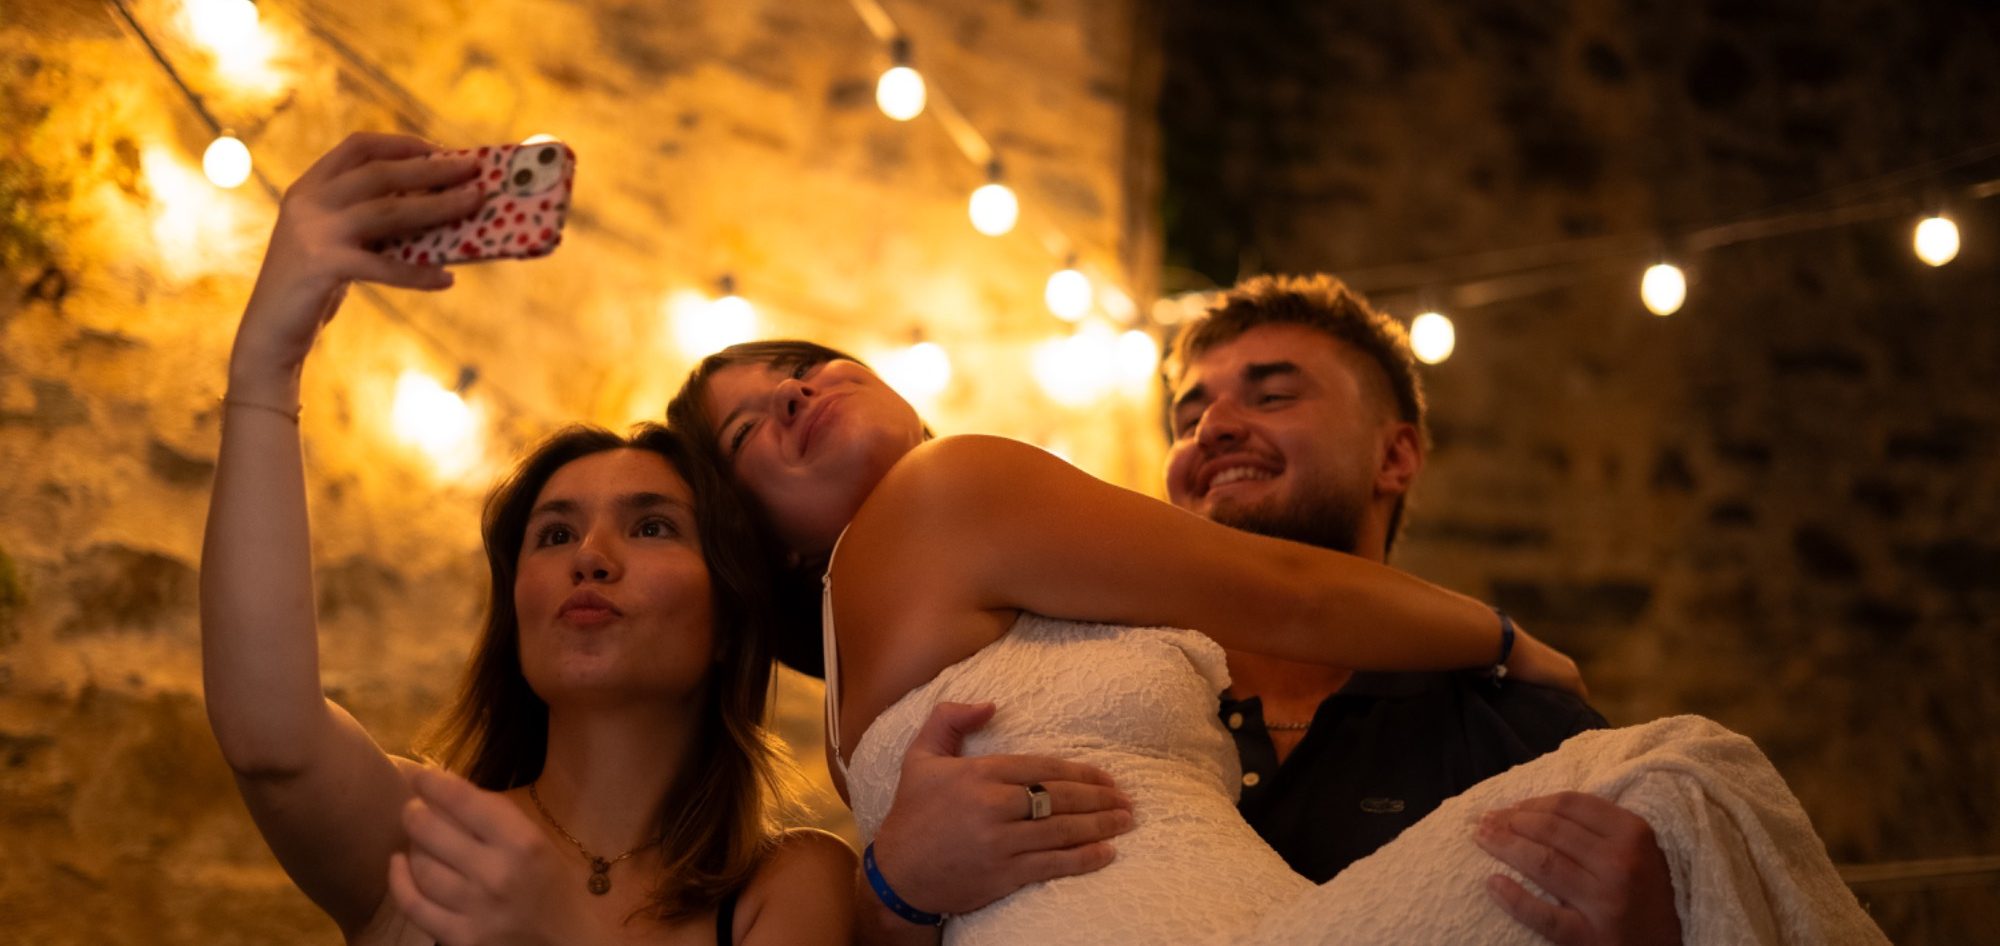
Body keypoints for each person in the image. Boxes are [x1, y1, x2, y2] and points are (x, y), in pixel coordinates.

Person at [666, 336, 1885, 944]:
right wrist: (1508, 635)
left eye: (802, 362)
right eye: (744, 430)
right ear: (758, 540)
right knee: (1690, 769)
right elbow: (1285, 591)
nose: (790, 392)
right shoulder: (948, 489)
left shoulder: (869, 693)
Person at [854, 274, 1680, 946]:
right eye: (1188, 417)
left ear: (1395, 456)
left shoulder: (1521, 731)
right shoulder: (1076, 698)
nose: (1214, 427)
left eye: (1274, 397)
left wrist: (1661, 930)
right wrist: (898, 890)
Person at [201, 132, 854, 945]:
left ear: (729, 618)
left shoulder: (791, 881)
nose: (590, 557)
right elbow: (273, 741)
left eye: (652, 526)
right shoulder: (431, 842)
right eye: (554, 534)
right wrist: (266, 367)